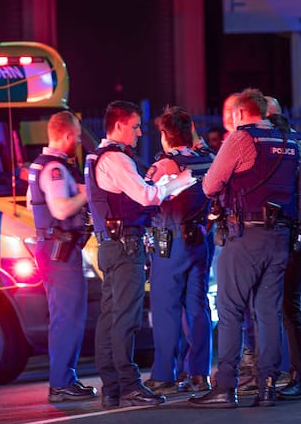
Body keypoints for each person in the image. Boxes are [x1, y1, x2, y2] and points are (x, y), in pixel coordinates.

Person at [190, 88, 301, 409]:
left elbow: (209, 185)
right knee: (268, 312)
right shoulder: (289, 142)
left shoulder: (241, 139)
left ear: (241, 114)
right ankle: (268, 386)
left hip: (245, 234)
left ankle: (225, 388)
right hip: (280, 238)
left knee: (231, 309)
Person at [85, 100, 196, 408]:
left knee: (109, 316)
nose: (138, 133)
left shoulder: (95, 157)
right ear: (119, 125)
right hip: (125, 246)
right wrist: (180, 181)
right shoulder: (117, 160)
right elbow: (146, 196)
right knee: (125, 318)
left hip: (110, 244)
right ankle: (130, 385)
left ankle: (113, 386)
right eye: (134, 127)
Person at [143, 106, 214, 395]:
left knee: (166, 309)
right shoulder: (207, 159)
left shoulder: (165, 164)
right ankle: (199, 373)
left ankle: (163, 375)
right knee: (197, 308)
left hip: (170, 242)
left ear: (164, 135)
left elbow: (145, 197)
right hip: (200, 238)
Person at [27, 111, 97, 403]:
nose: (79, 141)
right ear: (67, 136)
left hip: (53, 251)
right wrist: (88, 193)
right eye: (78, 136)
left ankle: (64, 378)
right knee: (69, 318)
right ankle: (62, 382)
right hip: (60, 253)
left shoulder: (43, 165)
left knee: (63, 317)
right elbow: (61, 210)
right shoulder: (55, 169)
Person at [266, 97, 301, 400]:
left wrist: (293, 226)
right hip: (297, 238)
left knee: (289, 307)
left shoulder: (293, 153)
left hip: (293, 241)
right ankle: (298, 372)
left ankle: (299, 375)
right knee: (291, 306)